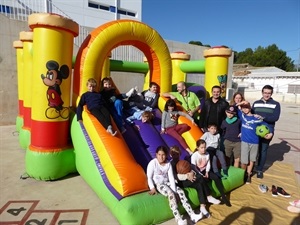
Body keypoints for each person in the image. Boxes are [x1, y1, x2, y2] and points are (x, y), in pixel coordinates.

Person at [147, 146, 203, 225]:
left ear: (166, 155)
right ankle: (179, 219)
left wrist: (175, 191)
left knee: (180, 191)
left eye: (163, 155)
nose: (161, 157)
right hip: (159, 184)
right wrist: (152, 188)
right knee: (171, 194)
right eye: (159, 154)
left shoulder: (168, 164)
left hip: (167, 182)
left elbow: (171, 178)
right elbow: (149, 177)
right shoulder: (153, 163)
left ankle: (192, 215)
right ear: (156, 155)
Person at [169, 145, 221, 219]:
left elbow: (190, 168)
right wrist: (187, 176)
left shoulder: (182, 161)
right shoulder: (171, 164)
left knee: (199, 183)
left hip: (188, 179)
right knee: (200, 178)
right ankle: (208, 196)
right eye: (174, 154)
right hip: (180, 182)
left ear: (179, 154)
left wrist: (192, 173)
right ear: (171, 155)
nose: (176, 156)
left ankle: (202, 206)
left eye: (177, 154)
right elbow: (175, 176)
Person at [238, 102, 273, 184]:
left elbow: (267, 126)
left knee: (252, 160)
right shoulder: (242, 116)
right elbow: (236, 106)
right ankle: (243, 174)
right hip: (244, 141)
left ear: (250, 108)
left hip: (254, 142)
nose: (245, 109)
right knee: (244, 161)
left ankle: (248, 175)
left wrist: (270, 132)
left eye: (247, 107)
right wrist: (242, 102)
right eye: (243, 108)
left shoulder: (257, 118)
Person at [191, 139, 231, 207]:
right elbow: (193, 167)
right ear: (197, 148)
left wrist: (207, 172)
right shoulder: (194, 155)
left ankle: (223, 196)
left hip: (205, 171)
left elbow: (208, 164)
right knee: (201, 179)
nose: (203, 149)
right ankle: (208, 197)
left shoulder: (207, 154)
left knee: (216, 177)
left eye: (204, 147)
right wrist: (201, 174)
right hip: (198, 172)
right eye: (201, 148)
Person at [252, 85, 281, 179]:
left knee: (263, 150)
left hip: (267, 131)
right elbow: (251, 115)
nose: (267, 95)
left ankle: (259, 169)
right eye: (265, 93)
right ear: (262, 92)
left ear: (271, 93)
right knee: (254, 150)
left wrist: (263, 118)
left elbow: (275, 118)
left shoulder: (276, 104)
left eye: (269, 93)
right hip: (255, 131)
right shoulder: (256, 103)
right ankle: (251, 167)